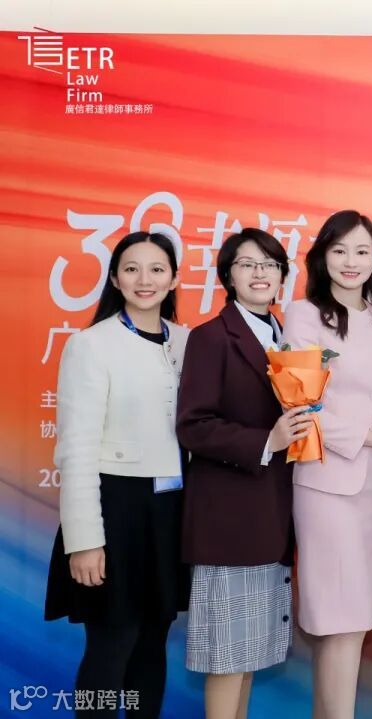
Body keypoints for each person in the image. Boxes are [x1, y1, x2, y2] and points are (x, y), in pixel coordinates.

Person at [282, 210, 372, 719]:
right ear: (322, 257)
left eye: (362, 251)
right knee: (338, 622)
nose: (351, 261)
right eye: (339, 250)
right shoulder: (303, 315)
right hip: (326, 484)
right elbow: (300, 401)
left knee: (355, 623)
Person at [45, 231, 190, 719]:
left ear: (174, 279)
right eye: (131, 268)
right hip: (115, 512)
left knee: (152, 645)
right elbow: (76, 450)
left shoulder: (187, 342)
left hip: (169, 514)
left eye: (157, 269)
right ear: (114, 278)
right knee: (111, 647)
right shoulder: (91, 345)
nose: (144, 279)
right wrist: (85, 541)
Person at [177, 228, 312, 719]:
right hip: (228, 523)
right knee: (226, 657)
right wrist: (266, 441)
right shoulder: (211, 337)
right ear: (227, 275)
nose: (260, 273)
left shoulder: (288, 340)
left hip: (273, 518)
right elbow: (193, 426)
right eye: (247, 264)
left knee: (250, 654)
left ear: (282, 277)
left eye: (270, 265)